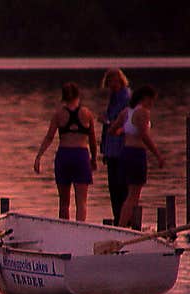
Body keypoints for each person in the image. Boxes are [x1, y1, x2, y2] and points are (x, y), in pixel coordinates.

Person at [34, 82, 98, 221]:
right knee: (81, 202)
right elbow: (92, 140)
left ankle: (64, 230)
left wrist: (39, 156)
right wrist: (93, 159)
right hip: (81, 156)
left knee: (64, 203)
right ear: (78, 95)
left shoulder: (59, 114)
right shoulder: (87, 113)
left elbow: (49, 137)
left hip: (64, 156)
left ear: (63, 97)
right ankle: (80, 231)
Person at [110, 85, 165, 228]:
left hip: (125, 153)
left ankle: (126, 224)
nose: (152, 104)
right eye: (151, 100)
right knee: (133, 195)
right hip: (136, 154)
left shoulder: (126, 112)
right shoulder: (143, 112)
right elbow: (143, 135)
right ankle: (122, 227)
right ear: (145, 98)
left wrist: (123, 130)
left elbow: (112, 130)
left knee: (130, 194)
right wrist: (158, 154)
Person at [99, 69, 131, 220]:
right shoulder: (113, 97)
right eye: (110, 83)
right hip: (111, 148)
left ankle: (124, 219)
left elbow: (123, 122)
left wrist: (106, 121)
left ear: (120, 81)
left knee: (121, 186)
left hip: (121, 147)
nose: (112, 86)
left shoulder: (125, 97)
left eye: (115, 82)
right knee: (113, 186)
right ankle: (118, 217)